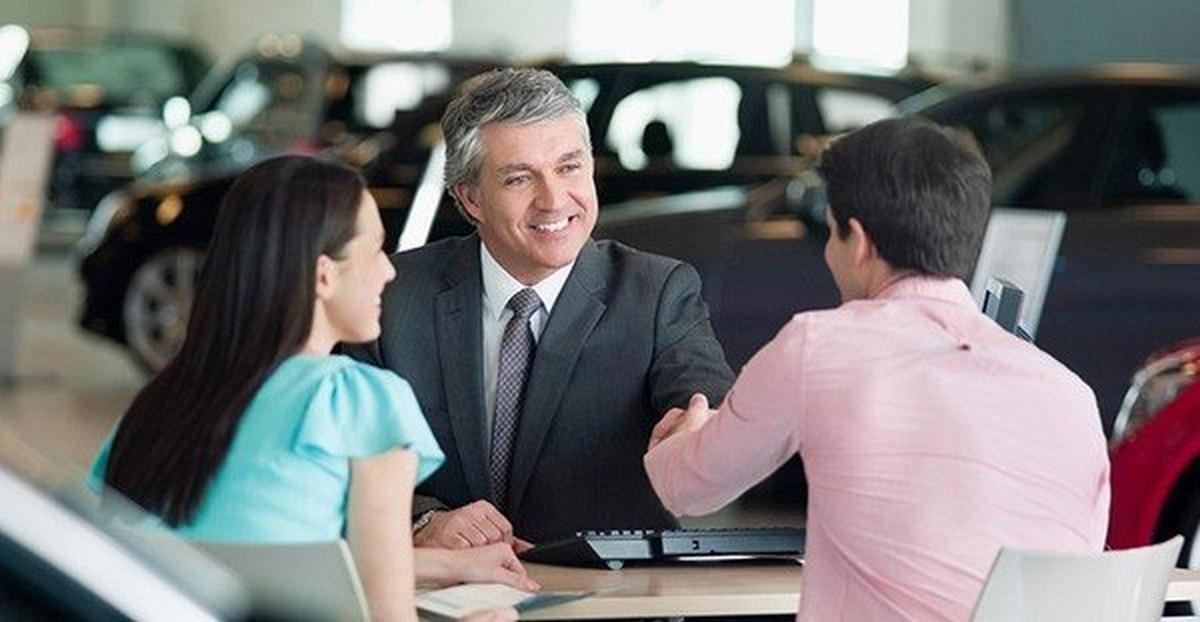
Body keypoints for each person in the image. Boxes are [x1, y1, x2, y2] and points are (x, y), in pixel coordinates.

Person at [643, 118, 1111, 620]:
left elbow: (690, 488)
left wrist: (680, 438)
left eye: (831, 235)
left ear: (858, 241)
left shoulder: (818, 346)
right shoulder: (1071, 394)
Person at [91, 155, 534, 622]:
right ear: (325, 274)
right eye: (375, 251)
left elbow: (243, 556)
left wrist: (444, 564)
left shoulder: (160, 403)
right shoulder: (356, 401)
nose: (388, 272)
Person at [344, 68, 734, 547]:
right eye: (519, 179)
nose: (553, 200)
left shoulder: (657, 291)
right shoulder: (394, 294)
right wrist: (424, 521)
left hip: (609, 601)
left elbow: (703, 397)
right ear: (470, 199)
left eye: (569, 168)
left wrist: (702, 430)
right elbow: (346, 450)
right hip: (446, 598)